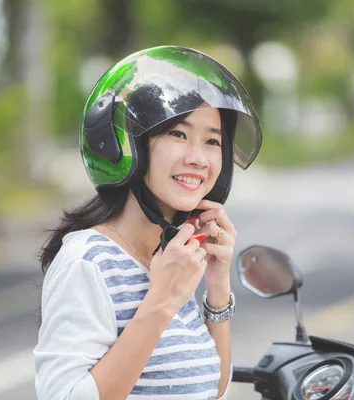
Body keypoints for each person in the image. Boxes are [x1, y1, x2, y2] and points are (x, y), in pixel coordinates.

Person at [34, 45, 263, 400]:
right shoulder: (88, 262)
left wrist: (217, 288)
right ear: (127, 144)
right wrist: (161, 299)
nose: (198, 158)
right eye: (178, 134)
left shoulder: (174, 255)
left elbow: (212, 390)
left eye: (212, 141)